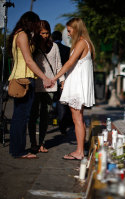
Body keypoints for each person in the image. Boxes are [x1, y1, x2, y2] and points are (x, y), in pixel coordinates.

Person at [8, 11, 52, 159]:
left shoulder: (17, 34)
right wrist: (44, 77)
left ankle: (16, 149)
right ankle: (19, 151)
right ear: (31, 22)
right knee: (22, 117)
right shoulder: (23, 35)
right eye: (36, 24)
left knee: (18, 116)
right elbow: (28, 60)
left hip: (18, 77)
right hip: (25, 79)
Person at [51, 18, 95, 160]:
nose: (68, 34)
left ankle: (80, 152)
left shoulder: (82, 43)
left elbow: (70, 63)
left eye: (69, 31)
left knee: (77, 119)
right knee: (78, 119)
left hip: (77, 86)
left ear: (76, 29)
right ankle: (80, 150)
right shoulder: (85, 43)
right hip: (76, 84)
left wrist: (55, 77)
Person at [28, 20, 65, 154]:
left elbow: (58, 65)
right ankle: (33, 143)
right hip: (35, 85)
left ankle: (42, 143)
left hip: (50, 86)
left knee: (45, 116)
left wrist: (62, 80)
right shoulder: (33, 47)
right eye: (42, 33)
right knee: (33, 115)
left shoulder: (54, 46)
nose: (44, 35)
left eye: (46, 33)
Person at [51, 30, 73, 134]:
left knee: (50, 102)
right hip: (64, 80)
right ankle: (63, 125)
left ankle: (51, 121)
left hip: (50, 80)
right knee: (63, 103)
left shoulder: (49, 49)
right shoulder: (67, 49)